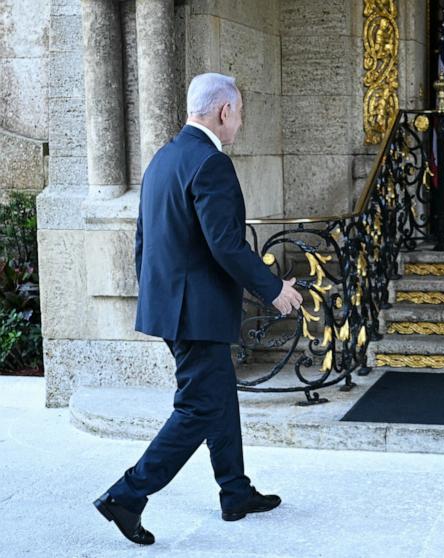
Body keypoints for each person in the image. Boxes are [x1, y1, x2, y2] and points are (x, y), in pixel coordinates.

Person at [93, 73, 303, 545]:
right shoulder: (211, 163)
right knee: (197, 407)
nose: (240, 122)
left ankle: (235, 491)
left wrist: (158, 299)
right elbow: (226, 244)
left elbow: (143, 241)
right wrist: (273, 288)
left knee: (217, 397)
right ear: (224, 111)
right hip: (197, 314)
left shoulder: (163, 158)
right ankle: (127, 494)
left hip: (173, 308)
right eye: (240, 113)